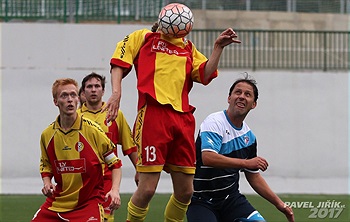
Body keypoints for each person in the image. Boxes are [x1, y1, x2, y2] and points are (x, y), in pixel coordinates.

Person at [105, 4, 242, 222]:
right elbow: (118, 64)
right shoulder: (143, 37)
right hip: (153, 116)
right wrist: (116, 94)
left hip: (183, 119)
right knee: (148, 188)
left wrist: (218, 48)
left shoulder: (188, 47)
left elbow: (205, 75)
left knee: (186, 191)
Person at [186, 74, 295, 222]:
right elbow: (208, 158)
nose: (242, 96)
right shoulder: (214, 122)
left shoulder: (249, 138)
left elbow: (254, 176)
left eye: (248, 94)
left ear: (254, 104)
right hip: (200, 200)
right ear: (229, 98)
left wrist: (279, 204)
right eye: (238, 92)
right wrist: (246, 163)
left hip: (230, 200)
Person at [31, 78, 122, 222]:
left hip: (88, 204)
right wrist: (47, 182)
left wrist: (115, 190)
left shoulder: (93, 131)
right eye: (64, 96)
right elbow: (46, 164)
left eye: (73, 95)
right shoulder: (47, 135)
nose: (70, 100)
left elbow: (115, 164)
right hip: (58, 203)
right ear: (55, 101)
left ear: (78, 99)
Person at [78, 72, 138, 222]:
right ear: (83, 92)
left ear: (103, 91)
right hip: (81, 181)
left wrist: (141, 171)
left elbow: (130, 147)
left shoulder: (115, 115)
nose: (93, 90)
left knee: (104, 218)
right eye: (89, 87)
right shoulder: (76, 118)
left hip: (107, 181)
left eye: (97, 86)